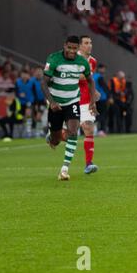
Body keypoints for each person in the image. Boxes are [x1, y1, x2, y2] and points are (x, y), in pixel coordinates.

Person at [42, 35, 98, 181]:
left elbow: (90, 81)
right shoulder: (54, 59)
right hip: (56, 104)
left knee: (75, 131)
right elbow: (44, 82)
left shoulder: (84, 63)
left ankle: (65, 169)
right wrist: (51, 101)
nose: (72, 51)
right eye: (70, 48)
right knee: (55, 140)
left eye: (74, 48)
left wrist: (93, 101)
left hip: (73, 101)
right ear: (65, 46)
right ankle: (53, 135)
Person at [77, 35, 100, 174]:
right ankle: (53, 133)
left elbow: (88, 81)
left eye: (90, 43)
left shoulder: (93, 61)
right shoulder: (73, 60)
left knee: (89, 129)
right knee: (68, 135)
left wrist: (94, 93)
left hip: (86, 100)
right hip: (72, 99)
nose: (89, 45)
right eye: (86, 43)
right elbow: (78, 77)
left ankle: (88, 164)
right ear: (80, 46)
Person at [15, 69, 35, 138]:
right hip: (20, 103)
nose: (24, 76)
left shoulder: (31, 82)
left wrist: (33, 101)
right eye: (23, 74)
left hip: (29, 102)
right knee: (22, 118)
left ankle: (28, 132)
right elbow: (16, 92)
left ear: (28, 75)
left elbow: (34, 92)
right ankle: (22, 133)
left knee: (28, 115)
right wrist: (19, 95)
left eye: (26, 74)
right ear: (21, 75)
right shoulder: (18, 82)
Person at [93, 64, 111, 135]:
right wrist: (109, 96)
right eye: (103, 68)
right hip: (102, 98)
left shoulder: (91, 76)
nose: (104, 70)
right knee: (103, 114)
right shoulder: (99, 77)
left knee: (95, 114)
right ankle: (101, 130)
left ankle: (95, 128)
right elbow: (105, 87)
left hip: (93, 98)